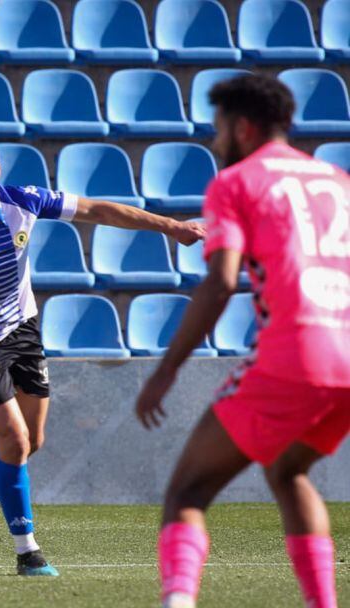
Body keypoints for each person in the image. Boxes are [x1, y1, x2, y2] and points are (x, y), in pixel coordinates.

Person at [0, 132, 205, 575]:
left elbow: (97, 210)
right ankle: (28, 552)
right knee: (14, 441)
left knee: (31, 442)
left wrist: (171, 226)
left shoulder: (24, 201)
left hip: (23, 329)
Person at [135, 74, 349, 608]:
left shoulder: (235, 183)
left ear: (243, 126)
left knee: (188, 492)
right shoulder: (335, 178)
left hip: (296, 354)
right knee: (288, 470)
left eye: (219, 128)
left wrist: (166, 370)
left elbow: (221, 281)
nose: (214, 141)